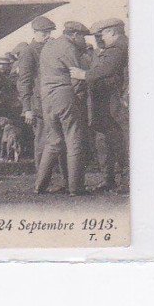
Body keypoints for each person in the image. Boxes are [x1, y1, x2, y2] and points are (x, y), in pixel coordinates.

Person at [70, 18, 129, 193]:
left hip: (114, 101)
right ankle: (109, 179)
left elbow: (107, 70)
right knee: (105, 140)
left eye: (101, 34)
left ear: (111, 32)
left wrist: (84, 75)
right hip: (104, 103)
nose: (100, 39)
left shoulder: (118, 47)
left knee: (122, 140)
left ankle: (125, 181)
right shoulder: (110, 49)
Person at [34, 21, 91, 196]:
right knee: (73, 140)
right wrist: (80, 99)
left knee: (54, 141)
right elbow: (77, 77)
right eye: (82, 37)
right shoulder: (68, 48)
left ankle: (39, 186)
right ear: (74, 35)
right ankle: (75, 188)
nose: (83, 40)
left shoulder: (48, 46)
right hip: (64, 95)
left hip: (47, 98)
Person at [16, 15, 56, 168]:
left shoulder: (50, 48)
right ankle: (42, 176)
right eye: (43, 33)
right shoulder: (28, 51)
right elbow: (24, 82)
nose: (47, 37)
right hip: (38, 103)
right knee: (41, 139)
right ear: (35, 32)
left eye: (49, 33)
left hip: (51, 100)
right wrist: (27, 108)